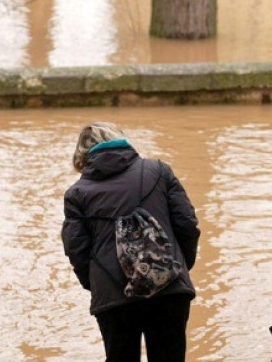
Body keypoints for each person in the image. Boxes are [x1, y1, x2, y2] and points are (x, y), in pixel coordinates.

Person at [62, 122, 201, 362]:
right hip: (169, 290)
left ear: (82, 154)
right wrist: (175, 268)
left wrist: (97, 284)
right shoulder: (159, 171)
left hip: (114, 298)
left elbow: (77, 251)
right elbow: (187, 225)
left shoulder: (77, 194)